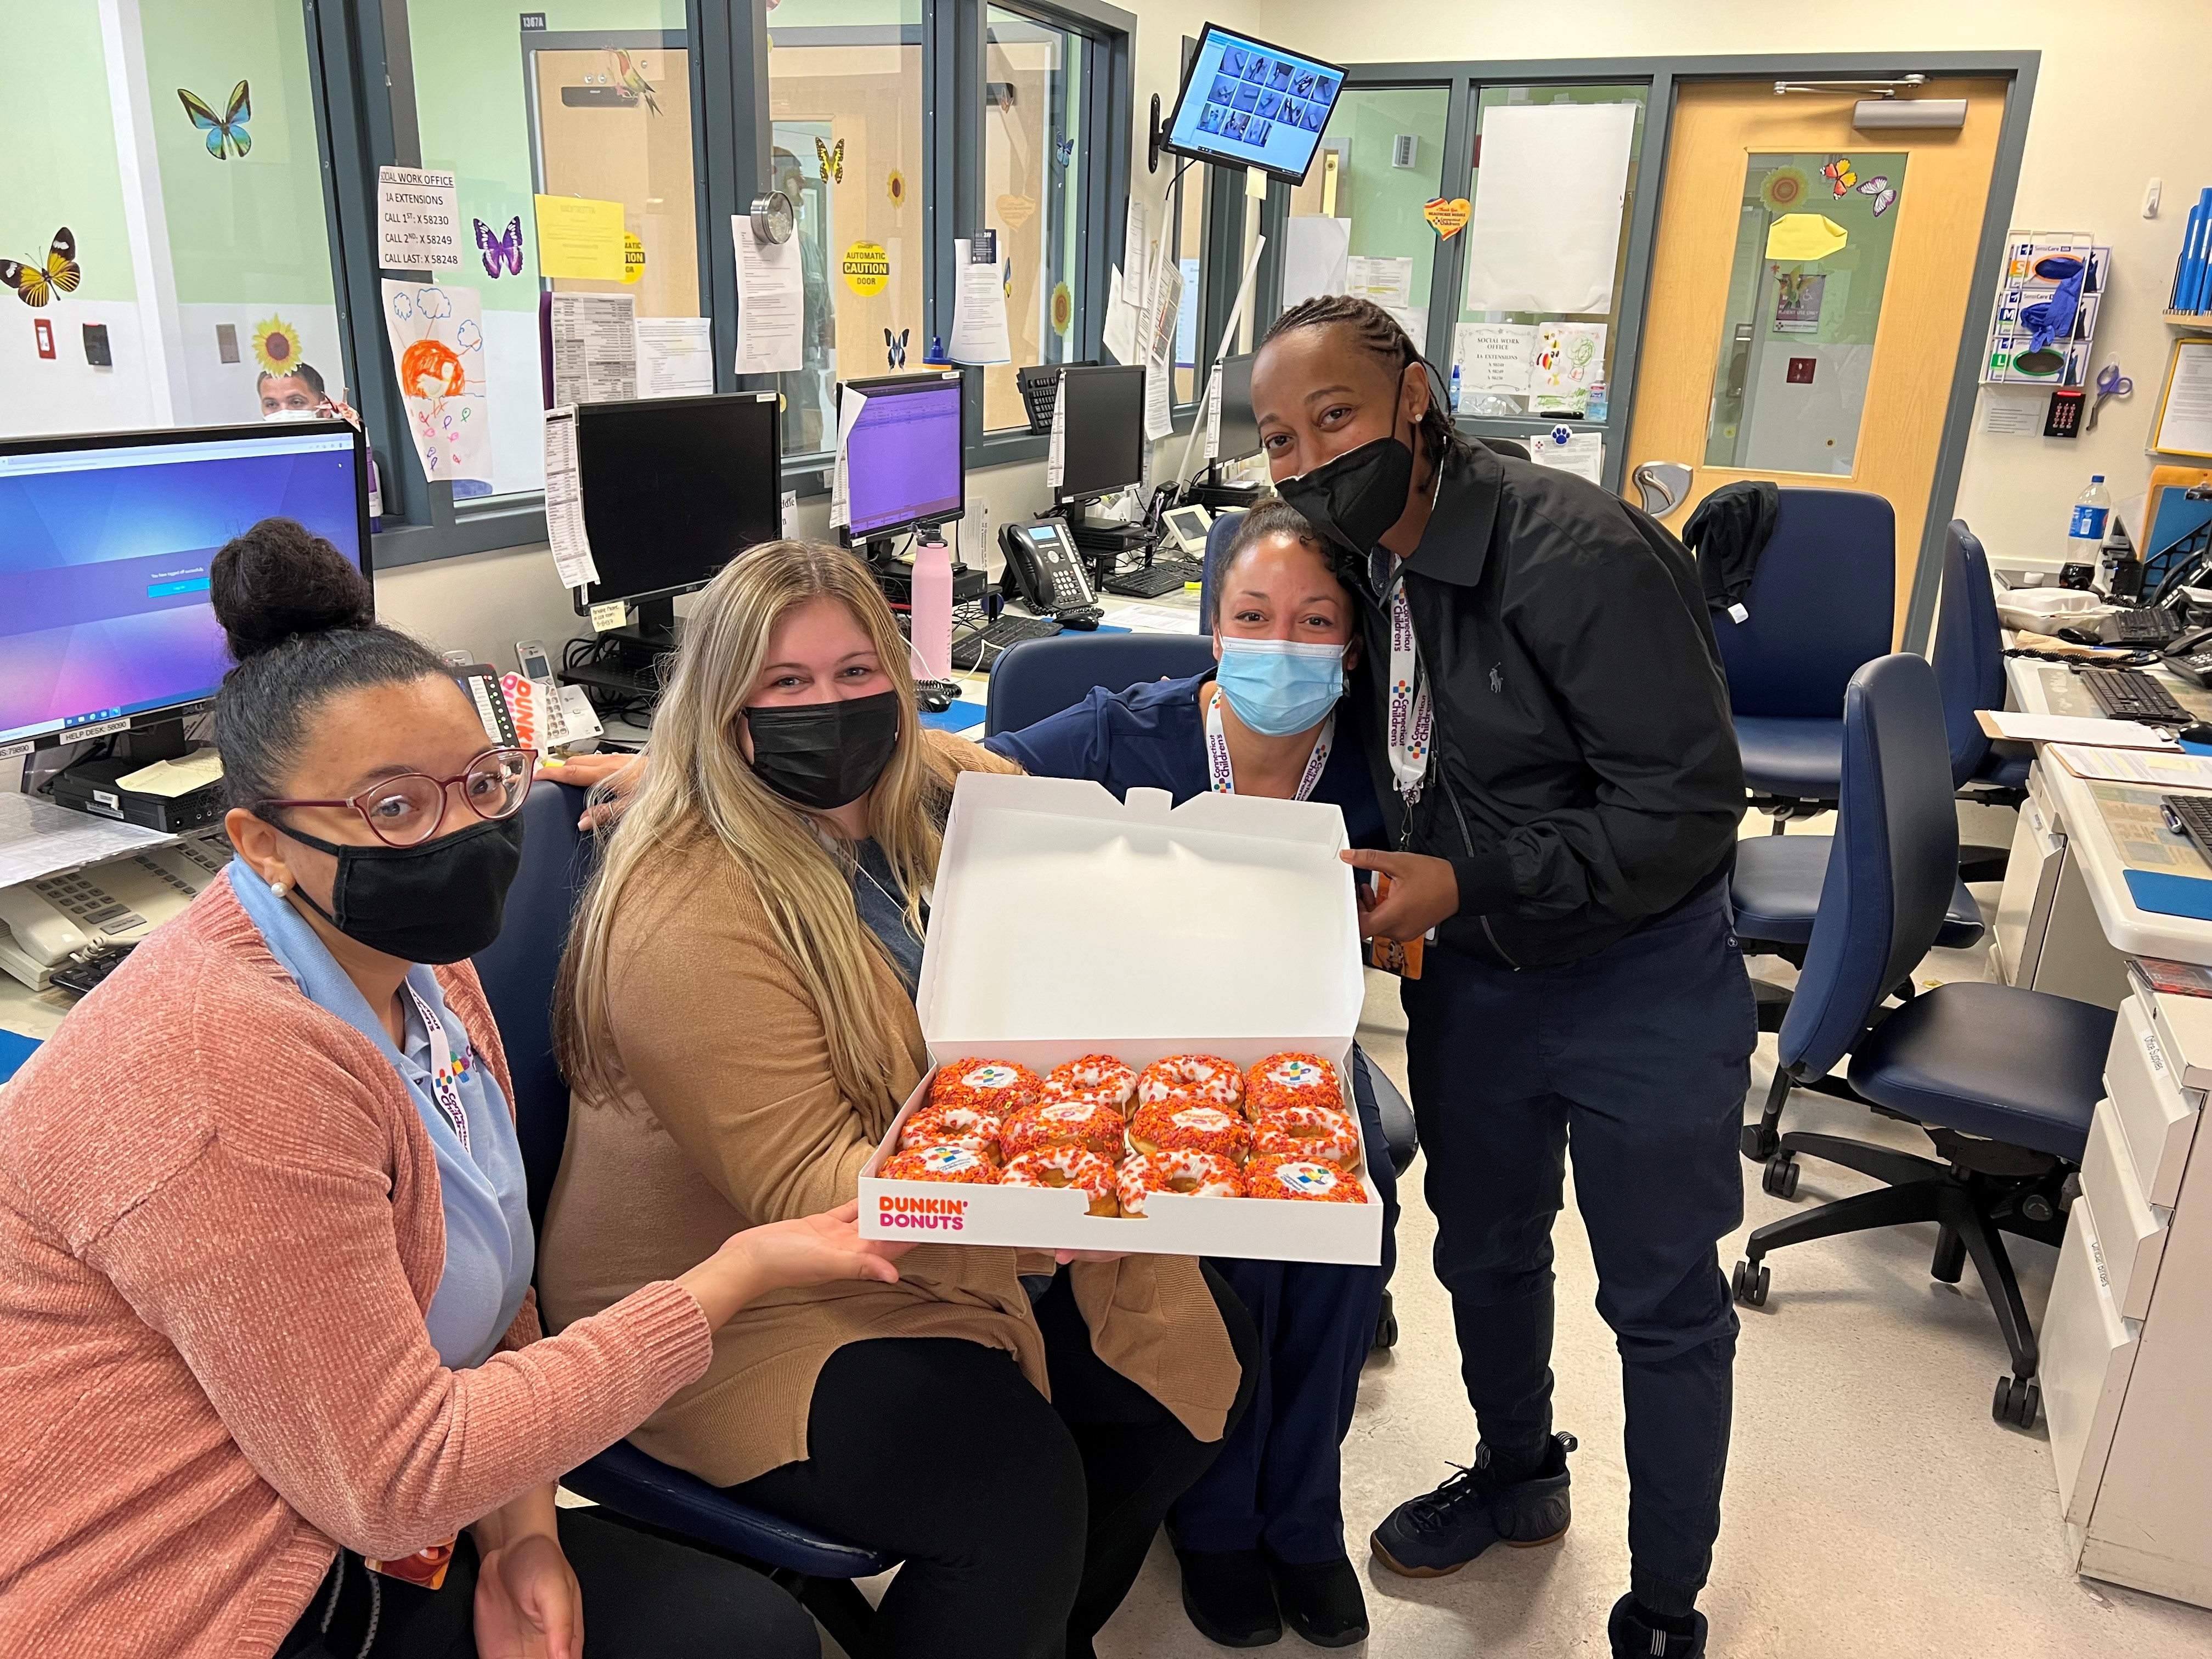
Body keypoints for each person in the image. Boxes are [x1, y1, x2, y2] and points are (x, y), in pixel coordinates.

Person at [0, 519, 904, 1658]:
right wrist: (728, 1280)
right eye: (392, 809)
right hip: (187, 1578)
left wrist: (523, 1532)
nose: (467, 832)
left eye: (482, 782)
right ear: (260, 845)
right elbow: (397, 1480)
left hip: (358, 1489)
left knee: (740, 1630)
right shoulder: (225, 1076)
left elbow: (482, 1277)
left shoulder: (422, 974)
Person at [537, 540, 1254, 1659]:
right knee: (1011, 1491)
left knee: (1187, 1367)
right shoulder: (681, 909)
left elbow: (1063, 847)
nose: (831, 708)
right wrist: (1043, 1214)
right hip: (730, 1290)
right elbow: (809, 1188)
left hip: (939, 1210)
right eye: (787, 685)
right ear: (725, 711)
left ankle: (1029, 1635)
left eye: (857, 672)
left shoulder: (934, 795)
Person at [1251, 294, 1753, 1659]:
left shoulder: (1572, 550)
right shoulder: (1369, 564)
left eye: (1335, 417)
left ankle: (1664, 1607)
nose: (1305, 458)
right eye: (1279, 438)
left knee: (1660, 1299)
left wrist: (1467, 883)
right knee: (1483, 1249)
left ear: (1415, 397)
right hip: (1477, 984)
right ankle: (1518, 1471)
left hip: (1640, 978)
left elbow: (1691, 808)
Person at [986, 500, 1400, 1651]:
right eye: (1255, 616)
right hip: (1145, 1044)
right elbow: (966, 770)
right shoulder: (1128, 734)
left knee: (1348, 1230)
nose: (1282, 643)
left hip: (1305, 1049)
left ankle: (1302, 1518)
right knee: (1216, 1234)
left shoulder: (1379, 762)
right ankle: (1214, 1518)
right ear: (1213, 629)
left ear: (1353, 647)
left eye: (1315, 622)